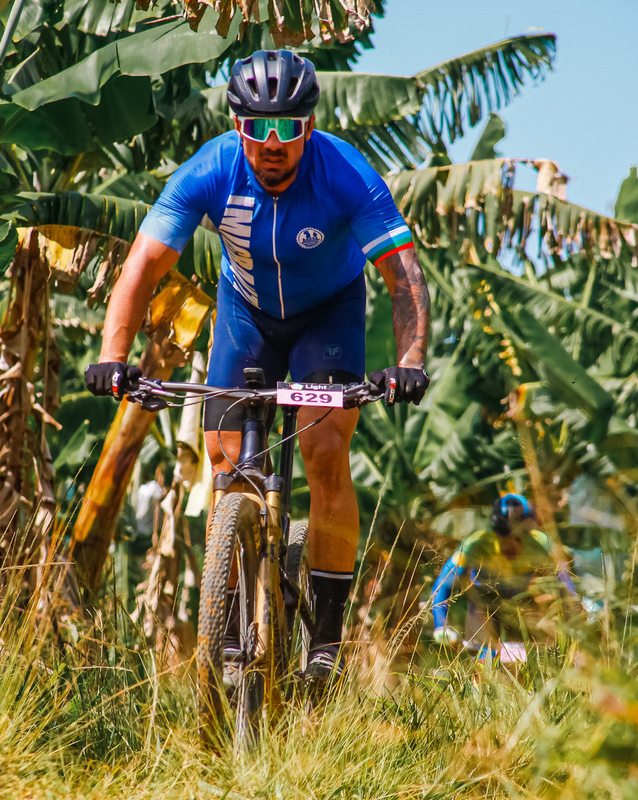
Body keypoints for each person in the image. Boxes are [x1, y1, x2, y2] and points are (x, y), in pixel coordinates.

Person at [84, 50, 432, 681]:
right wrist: (113, 357)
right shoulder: (210, 169)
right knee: (225, 461)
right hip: (246, 315)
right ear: (236, 125)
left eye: (288, 129)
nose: (273, 144)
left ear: (310, 126)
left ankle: (325, 636)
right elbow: (141, 267)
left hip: (327, 316)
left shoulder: (346, 174)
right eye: (258, 128)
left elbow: (403, 275)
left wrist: (409, 360)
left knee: (325, 448)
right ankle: (231, 614)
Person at [430, 493, 578, 661]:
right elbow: (443, 585)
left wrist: (574, 617)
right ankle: (484, 662)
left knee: (544, 651)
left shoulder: (542, 543)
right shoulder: (475, 543)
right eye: (503, 536)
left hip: (521, 601)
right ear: (495, 532)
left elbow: (565, 584)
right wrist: (441, 626)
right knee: (485, 656)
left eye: (518, 538)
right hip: (484, 602)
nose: (510, 544)